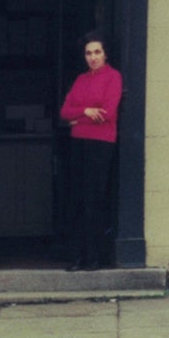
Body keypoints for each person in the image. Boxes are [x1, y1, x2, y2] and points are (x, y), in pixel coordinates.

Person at [57, 36, 123, 269]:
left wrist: (78, 119)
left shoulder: (113, 77)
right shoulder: (80, 79)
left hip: (101, 143)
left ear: (105, 54)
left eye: (97, 52)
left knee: (94, 200)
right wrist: (85, 111)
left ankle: (95, 257)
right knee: (76, 199)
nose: (93, 57)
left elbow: (108, 113)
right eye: (88, 53)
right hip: (79, 143)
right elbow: (65, 112)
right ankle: (77, 256)